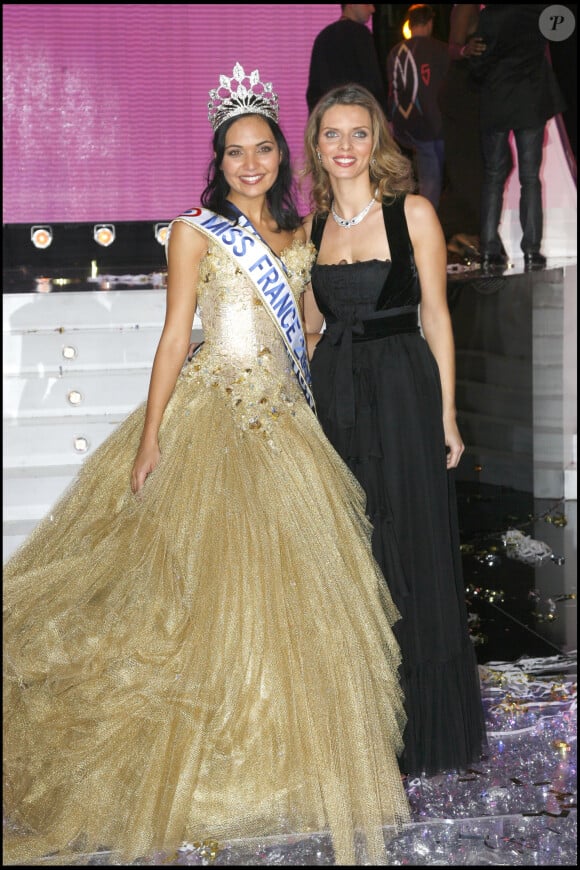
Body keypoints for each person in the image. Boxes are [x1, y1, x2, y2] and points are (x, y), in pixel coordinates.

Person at [3, 63, 411, 867]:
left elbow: (310, 327)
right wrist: (153, 434)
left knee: (298, 598)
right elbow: (171, 335)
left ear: (280, 155)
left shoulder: (300, 236)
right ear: (217, 161)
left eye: (262, 149)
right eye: (235, 152)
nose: (250, 164)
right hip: (209, 419)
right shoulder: (194, 231)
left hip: (285, 425)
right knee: (186, 593)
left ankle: (291, 755)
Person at [302, 83, 487, 778]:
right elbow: (312, 330)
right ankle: (363, 724)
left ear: (376, 141)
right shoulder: (310, 228)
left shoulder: (413, 213)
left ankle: (422, 729)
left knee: (411, 543)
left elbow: (436, 317)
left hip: (405, 393)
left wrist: (445, 412)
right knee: (355, 550)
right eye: (332, 135)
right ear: (316, 147)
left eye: (357, 134)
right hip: (337, 397)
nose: (345, 147)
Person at [469, 4, 567, 271]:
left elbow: (480, 61)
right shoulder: (540, 12)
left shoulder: (490, 15)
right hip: (531, 100)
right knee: (530, 178)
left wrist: (473, 59)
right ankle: (532, 251)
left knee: (493, 175)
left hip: (497, 98)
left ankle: (489, 249)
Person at [386, 4, 450, 210]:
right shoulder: (441, 50)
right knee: (432, 181)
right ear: (430, 22)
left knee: (416, 179)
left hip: (403, 127)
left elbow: (393, 92)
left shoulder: (395, 53)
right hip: (434, 125)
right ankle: (426, 230)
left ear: (409, 23)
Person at [436, 3, 487, 264]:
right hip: (461, 97)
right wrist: (466, 50)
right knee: (470, 174)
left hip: (473, 97)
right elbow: (453, 47)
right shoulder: (466, 6)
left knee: (474, 173)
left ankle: (456, 235)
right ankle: (446, 234)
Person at [306, 4, 387, 114]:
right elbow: (373, 83)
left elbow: (314, 91)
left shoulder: (323, 37)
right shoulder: (362, 34)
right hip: (358, 115)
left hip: (329, 116)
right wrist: (384, 115)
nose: (373, 9)